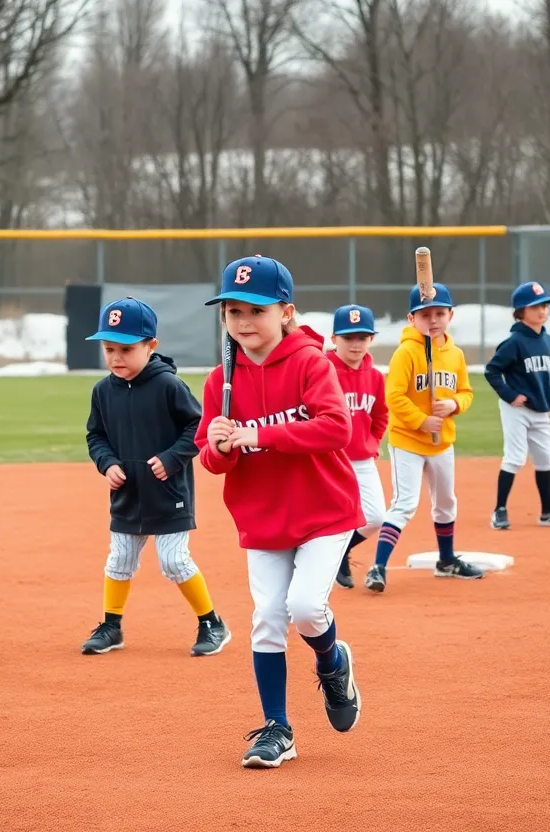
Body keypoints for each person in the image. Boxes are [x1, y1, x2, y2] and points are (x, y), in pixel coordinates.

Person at [197, 255, 363, 769]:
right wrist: (221, 446)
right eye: (233, 311)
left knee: (307, 608)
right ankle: (278, 729)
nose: (244, 322)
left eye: (257, 311)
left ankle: (333, 664)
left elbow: (338, 428)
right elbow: (209, 457)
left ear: (286, 312)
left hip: (324, 510)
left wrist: (260, 434)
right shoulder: (219, 380)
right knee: (268, 620)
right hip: (263, 517)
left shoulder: (311, 362)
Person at [81, 296, 231, 657]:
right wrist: (107, 463)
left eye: (127, 349)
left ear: (152, 346)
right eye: (109, 348)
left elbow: (197, 425)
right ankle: (112, 626)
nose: (117, 357)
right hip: (127, 493)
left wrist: (172, 458)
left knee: (175, 561)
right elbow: (95, 435)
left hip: (168, 490)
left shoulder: (168, 386)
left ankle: (211, 622)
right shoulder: (103, 391)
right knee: (119, 561)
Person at [365, 282, 481, 593]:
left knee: (446, 502)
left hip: (442, 442)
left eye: (439, 313)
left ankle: (446, 561)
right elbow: (395, 396)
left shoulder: (455, 354)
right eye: (425, 314)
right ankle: (378, 567)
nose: (433, 320)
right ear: (411, 318)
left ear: (450, 315)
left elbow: (466, 392)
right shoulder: (406, 353)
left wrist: (454, 404)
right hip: (408, 441)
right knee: (404, 504)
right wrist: (421, 420)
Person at [483, 281, 550, 530]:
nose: (542, 311)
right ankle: (499, 510)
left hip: (540, 409)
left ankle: (547, 512)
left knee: (545, 458)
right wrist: (510, 394)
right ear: (521, 311)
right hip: (517, 410)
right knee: (514, 457)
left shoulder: (548, 341)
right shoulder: (514, 342)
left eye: (544, 305)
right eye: (536, 307)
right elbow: (492, 371)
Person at [327, 304, 389, 589]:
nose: (355, 344)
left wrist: (372, 442)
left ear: (371, 339)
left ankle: (340, 554)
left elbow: (381, 415)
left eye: (362, 337)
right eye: (348, 337)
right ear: (333, 339)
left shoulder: (375, 377)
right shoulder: (323, 372)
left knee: (375, 517)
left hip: (362, 460)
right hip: (329, 458)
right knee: (326, 517)